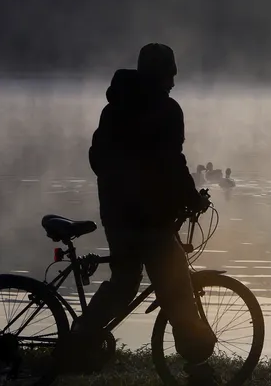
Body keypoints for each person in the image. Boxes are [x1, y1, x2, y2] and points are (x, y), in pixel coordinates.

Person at [59, 43, 218, 385]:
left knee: (124, 283)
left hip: (118, 214)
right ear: (162, 73)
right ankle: (198, 365)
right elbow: (173, 163)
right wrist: (191, 199)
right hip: (152, 219)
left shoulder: (113, 108)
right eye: (171, 73)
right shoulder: (167, 110)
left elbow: (97, 159)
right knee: (176, 288)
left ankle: (79, 339)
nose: (174, 81)